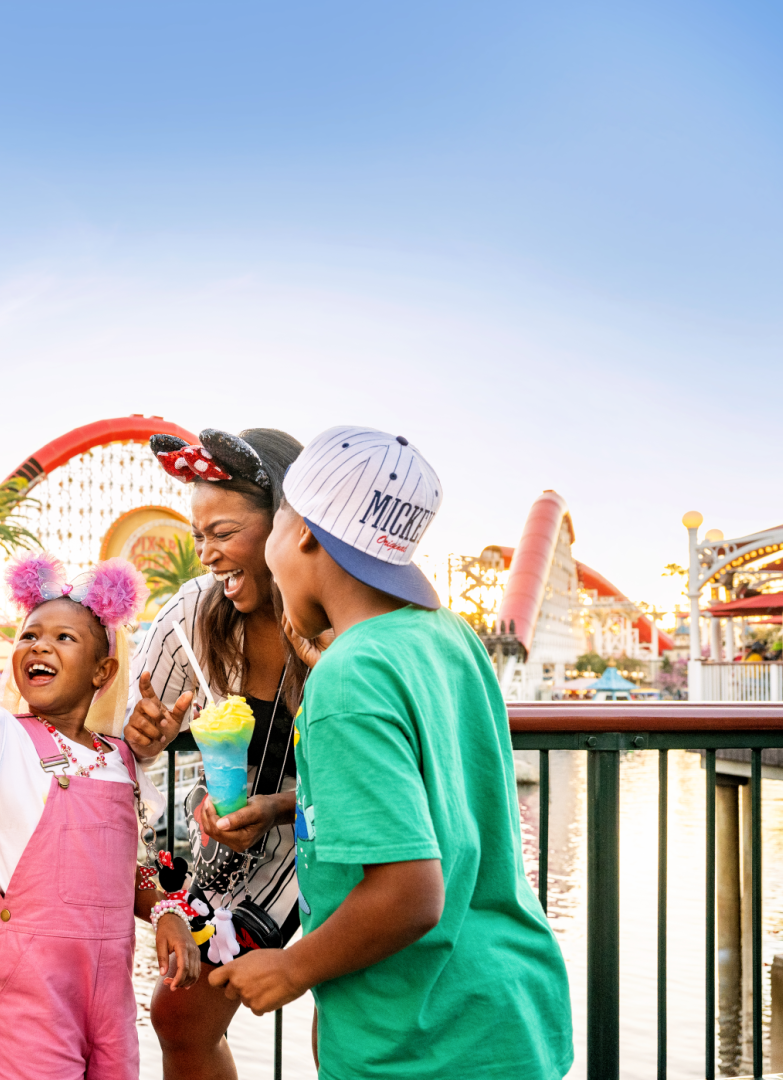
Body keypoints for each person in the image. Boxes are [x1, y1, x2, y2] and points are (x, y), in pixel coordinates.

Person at [211, 426, 572, 1079]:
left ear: (303, 533)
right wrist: (285, 804)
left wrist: (290, 968)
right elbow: (433, 794)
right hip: (506, 1012)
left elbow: (410, 893)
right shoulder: (450, 638)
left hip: (423, 1043)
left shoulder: (349, 678)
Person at [0, 538, 200, 1080]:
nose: (40, 647)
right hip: (29, 996)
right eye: (30, 635)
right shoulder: (1, 737)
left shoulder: (119, 759)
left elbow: (120, 870)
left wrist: (165, 911)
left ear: (102, 672)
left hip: (110, 998)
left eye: (64, 637)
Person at [122, 427, 315, 1080]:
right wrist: (143, 733)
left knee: (346, 1017)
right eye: (197, 535)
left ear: (288, 524)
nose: (206, 554)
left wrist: (280, 806)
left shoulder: (341, 619)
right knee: (179, 1011)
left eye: (223, 532)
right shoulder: (193, 617)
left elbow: (373, 780)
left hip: (336, 832)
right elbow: (128, 739)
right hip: (232, 839)